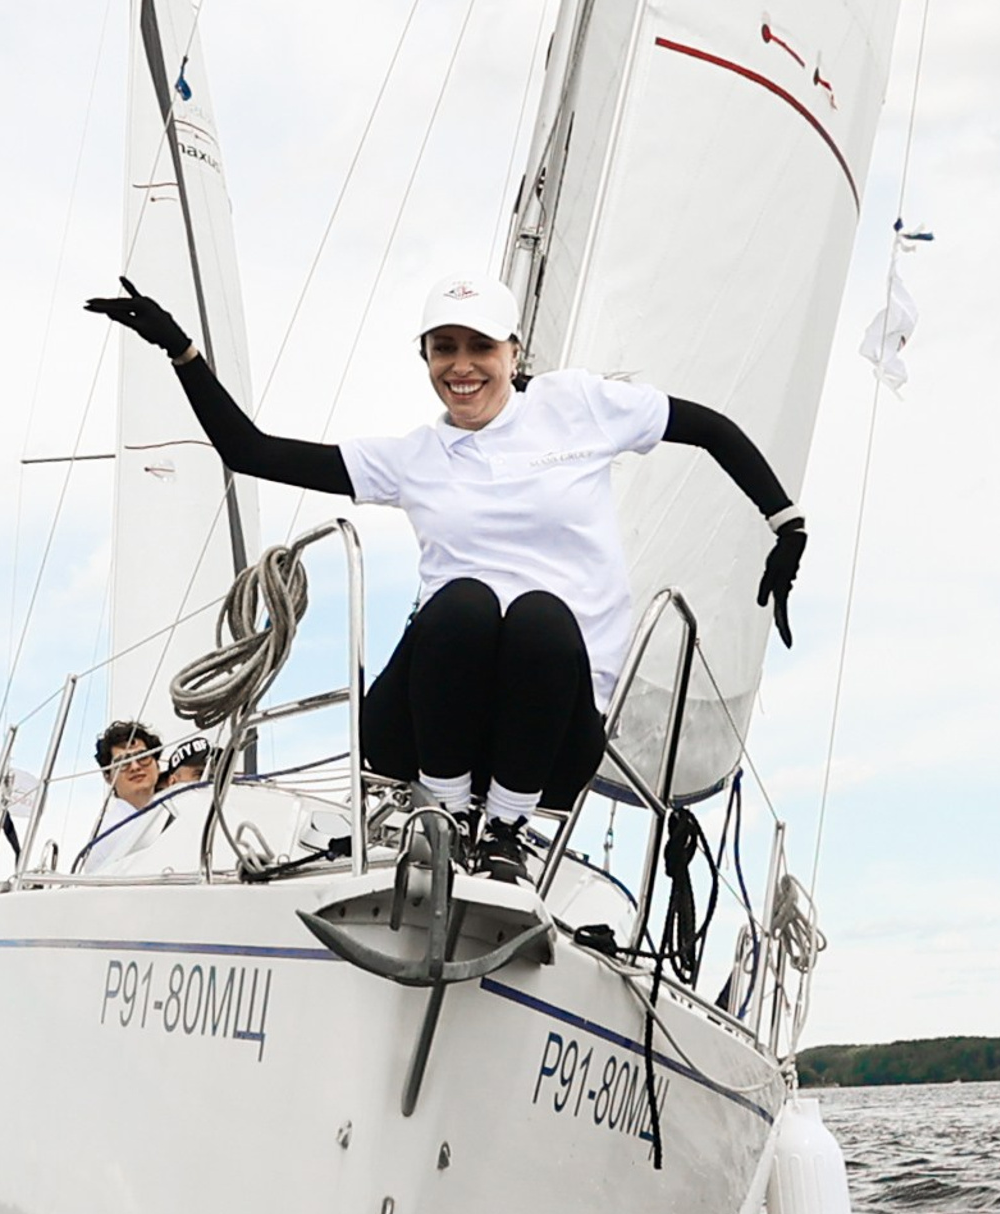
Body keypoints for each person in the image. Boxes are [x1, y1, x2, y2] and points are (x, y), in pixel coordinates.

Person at [86, 270, 804, 842]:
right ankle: (448, 814)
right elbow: (251, 452)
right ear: (426, 357)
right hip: (429, 728)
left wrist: (786, 522)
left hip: (550, 734)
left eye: (480, 347)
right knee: (464, 603)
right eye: (444, 348)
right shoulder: (414, 458)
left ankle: (507, 830)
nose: (462, 366)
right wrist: (180, 350)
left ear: (513, 352)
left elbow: (708, 428)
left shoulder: (577, 406)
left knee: (540, 617)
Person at [76, 717, 206, 873]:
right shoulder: (113, 832)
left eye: (143, 757)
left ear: (157, 765)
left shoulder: (167, 813)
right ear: (108, 777)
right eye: (123, 763)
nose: (135, 767)